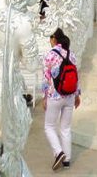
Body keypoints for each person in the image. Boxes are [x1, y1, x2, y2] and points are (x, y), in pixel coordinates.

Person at [42, 28, 81, 170]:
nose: (49, 41)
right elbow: (77, 76)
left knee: (49, 127)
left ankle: (58, 152)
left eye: (50, 38)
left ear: (54, 39)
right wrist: (77, 95)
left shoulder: (50, 55)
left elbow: (46, 79)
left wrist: (44, 97)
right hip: (70, 95)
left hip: (55, 96)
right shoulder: (71, 54)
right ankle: (67, 160)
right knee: (65, 128)